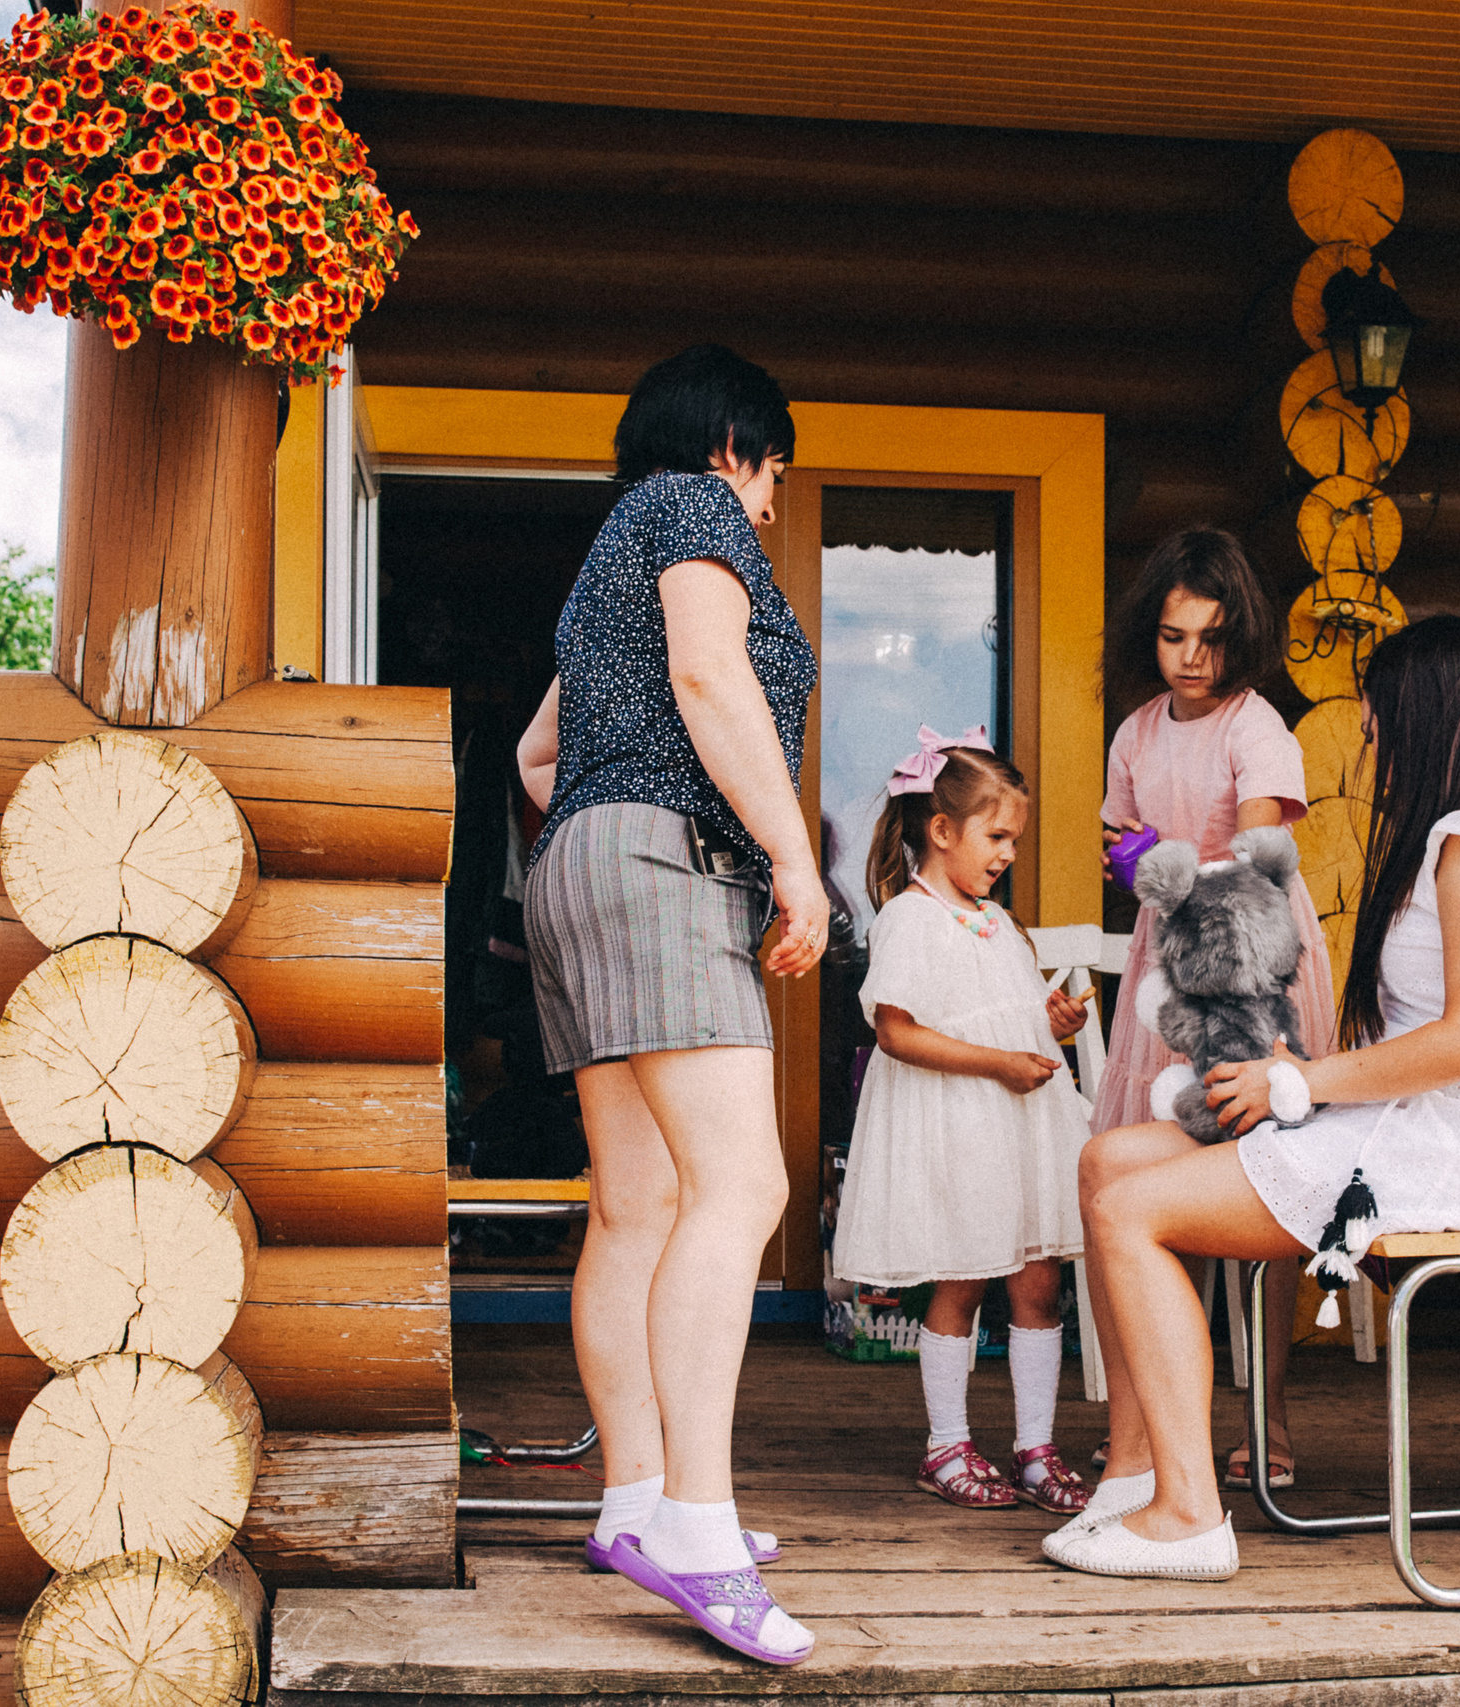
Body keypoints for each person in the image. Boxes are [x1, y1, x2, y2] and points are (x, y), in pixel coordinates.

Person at [1047, 615, 1460, 1581]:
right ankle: (1134, 1473)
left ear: (1429, 715)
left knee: (1134, 1208)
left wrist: (1299, 1081)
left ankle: (1188, 1513)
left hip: (1457, 1147)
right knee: (1110, 1159)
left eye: (1379, 717)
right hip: (1403, 1127)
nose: (1370, 740)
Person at [516, 343, 820, 1666]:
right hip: (661, 858)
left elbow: (539, 756)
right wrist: (795, 855)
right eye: (775, 475)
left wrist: (608, 823)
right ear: (735, 445)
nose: (771, 507)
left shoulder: (604, 562)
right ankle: (698, 1527)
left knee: (637, 1200)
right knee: (742, 1189)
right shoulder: (691, 506)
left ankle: (634, 1498)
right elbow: (710, 676)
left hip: (575, 859)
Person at [1090, 528, 1335, 1489]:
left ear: (1243, 637)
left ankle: (1266, 1413)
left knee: (1258, 1184)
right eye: (1171, 636)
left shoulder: (1256, 725)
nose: (1190, 658)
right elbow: (1119, 841)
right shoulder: (1136, 730)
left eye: (1210, 638)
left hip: (1249, 953)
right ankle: (1162, 1426)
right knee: (1159, 1186)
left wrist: (1170, 865)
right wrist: (1137, 861)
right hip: (1167, 967)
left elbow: (1263, 853)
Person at [829, 729, 1098, 1515]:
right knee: (963, 1279)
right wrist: (999, 1061)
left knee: (1039, 1282)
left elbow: (1013, 1022)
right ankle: (946, 1441)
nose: (1008, 851)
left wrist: (1050, 1024)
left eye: (1015, 837)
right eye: (997, 835)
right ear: (941, 830)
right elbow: (897, 1031)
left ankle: (1036, 1446)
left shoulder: (998, 924)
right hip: (962, 1125)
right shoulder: (909, 920)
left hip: (1020, 1129)